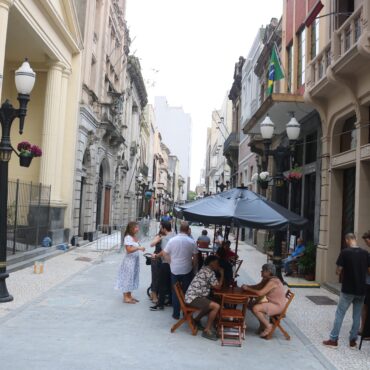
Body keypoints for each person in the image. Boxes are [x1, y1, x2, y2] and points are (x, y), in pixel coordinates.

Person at [323, 233, 370, 349]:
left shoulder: (345, 252)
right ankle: (353, 341)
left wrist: (340, 271)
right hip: (361, 289)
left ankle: (333, 340)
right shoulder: (365, 253)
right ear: (355, 239)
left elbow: (338, 271)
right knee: (357, 315)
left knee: (340, 314)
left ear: (347, 240)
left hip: (348, 289)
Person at [156, 221, 198, 320]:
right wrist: (193, 267)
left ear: (179, 230)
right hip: (187, 269)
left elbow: (165, 253)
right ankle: (185, 312)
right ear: (188, 230)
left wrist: (170, 262)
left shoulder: (172, 240)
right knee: (186, 292)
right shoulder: (192, 242)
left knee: (175, 292)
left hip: (174, 269)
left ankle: (176, 313)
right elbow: (195, 258)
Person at [241, 263, 287, 338]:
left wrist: (248, 289)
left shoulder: (273, 281)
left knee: (255, 308)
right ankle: (262, 325)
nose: (261, 272)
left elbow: (260, 293)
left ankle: (268, 326)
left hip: (277, 305)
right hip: (272, 303)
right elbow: (258, 286)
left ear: (269, 272)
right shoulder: (267, 279)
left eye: (263, 270)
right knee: (251, 305)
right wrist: (247, 286)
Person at [185, 255, 224, 340]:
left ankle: (196, 320)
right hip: (194, 298)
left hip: (192, 296)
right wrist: (222, 274)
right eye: (217, 263)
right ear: (212, 263)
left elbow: (213, 283)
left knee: (212, 303)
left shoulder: (204, 268)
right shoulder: (209, 272)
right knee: (216, 306)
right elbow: (218, 287)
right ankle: (207, 330)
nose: (218, 265)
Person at [115, 222, 145, 304]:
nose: (138, 229)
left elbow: (134, 247)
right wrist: (138, 248)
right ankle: (125, 297)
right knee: (127, 278)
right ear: (132, 228)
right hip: (129, 261)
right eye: (136, 228)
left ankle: (129, 295)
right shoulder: (128, 237)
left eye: (138, 227)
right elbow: (128, 250)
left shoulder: (134, 237)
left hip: (134, 261)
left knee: (132, 277)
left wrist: (139, 248)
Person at [150, 221, 175, 311]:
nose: (161, 229)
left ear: (164, 228)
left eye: (161, 227)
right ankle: (171, 301)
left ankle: (160, 304)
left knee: (162, 284)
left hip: (166, 263)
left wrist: (157, 256)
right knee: (171, 284)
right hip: (175, 264)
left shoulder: (165, 239)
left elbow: (165, 252)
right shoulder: (175, 236)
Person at [360, 231, 370, 335]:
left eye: (366, 241)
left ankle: (364, 330)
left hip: (368, 284)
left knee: (365, 306)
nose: (366, 243)